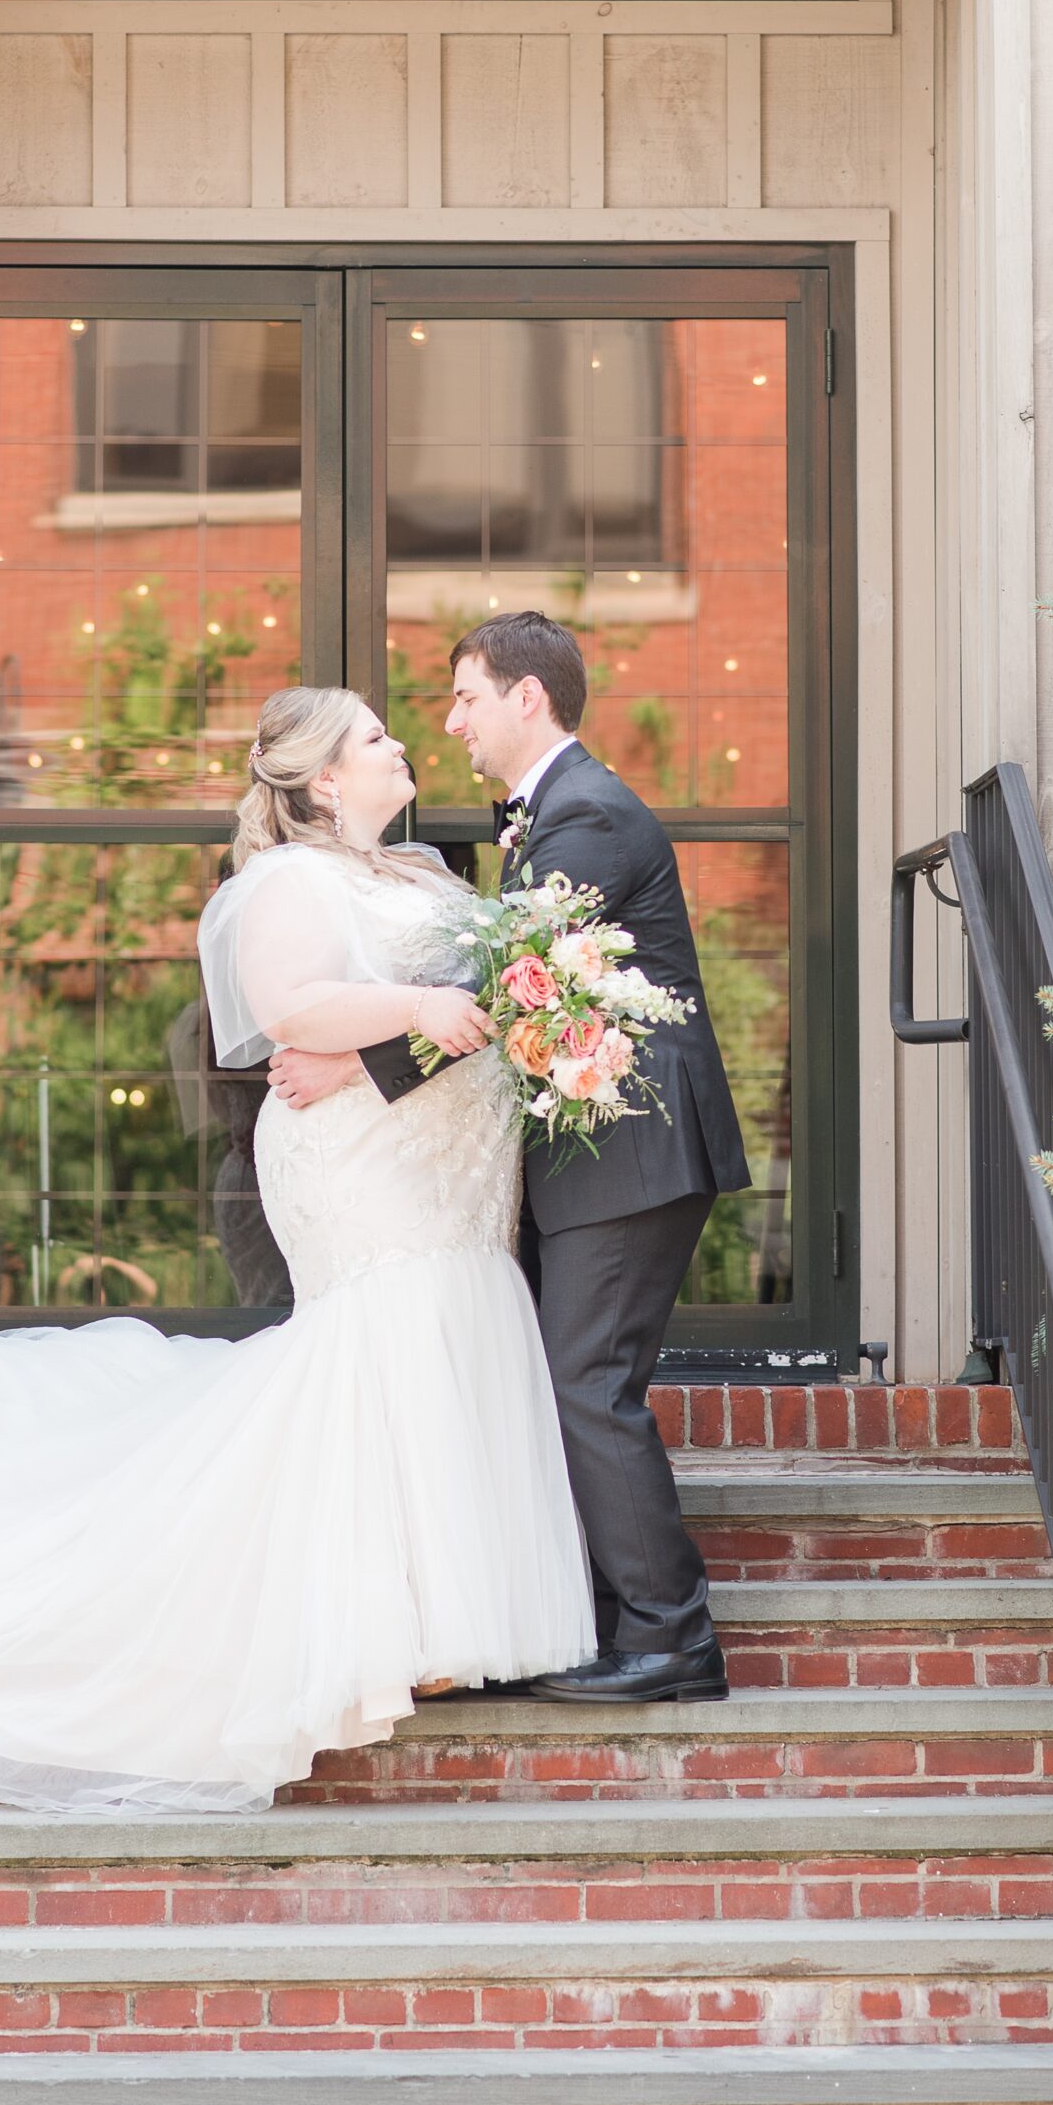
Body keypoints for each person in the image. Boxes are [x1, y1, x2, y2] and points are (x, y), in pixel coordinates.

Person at [0, 687, 595, 1814]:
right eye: (377, 736)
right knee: (385, 1340)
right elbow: (288, 1004)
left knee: (451, 1331)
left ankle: (444, 1619)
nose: (403, 744)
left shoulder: (432, 873)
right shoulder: (285, 880)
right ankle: (369, 1624)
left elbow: (480, 995)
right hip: (362, 1168)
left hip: (454, 1164)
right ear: (325, 780)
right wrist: (413, 1007)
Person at [270, 611, 750, 1705]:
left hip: (632, 1153)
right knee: (573, 1382)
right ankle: (592, 1619)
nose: (451, 723)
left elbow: (504, 982)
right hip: (595, 1159)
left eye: (466, 698)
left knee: (587, 1386)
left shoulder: (584, 816)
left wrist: (348, 1069)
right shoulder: (549, 816)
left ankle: (672, 1638)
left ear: (525, 698)